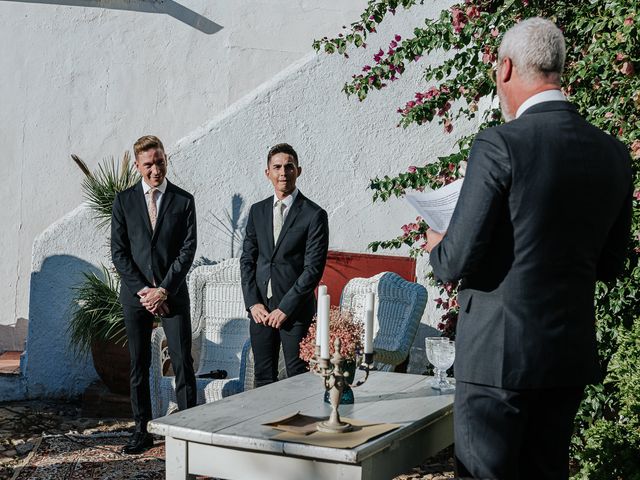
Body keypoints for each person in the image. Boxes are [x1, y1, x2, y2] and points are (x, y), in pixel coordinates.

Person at [424, 18, 632, 480]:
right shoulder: (614, 153)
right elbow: (612, 265)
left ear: (505, 68)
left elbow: (455, 260)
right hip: (566, 357)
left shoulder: (500, 144)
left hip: (497, 360)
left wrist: (438, 244)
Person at [111, 135, 197, 454]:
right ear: (137, 166)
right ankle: (141, 430)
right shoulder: (123, 201)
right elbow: (119, 253)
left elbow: (188, 250)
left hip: (172, 294)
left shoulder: (183, 200)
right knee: (138, 363)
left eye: (159, 161)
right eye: (148, 164)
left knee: (182, 362)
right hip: (136, 296)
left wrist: (163, 289)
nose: (155, 169)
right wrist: (144, 290)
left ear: (166, 159)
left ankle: (189, 430)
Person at [240, 143, 329, 387]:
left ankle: (297, 426)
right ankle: (266, 426)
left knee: (298, 379)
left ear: (298, 171)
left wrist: (285, 308)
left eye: (289, 167)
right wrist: (253, 303)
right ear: (267, 173)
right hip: (261, 311)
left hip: (295, 312)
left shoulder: (314, 214)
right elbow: (247, 260)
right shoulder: (257, 211)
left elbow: (313, 269)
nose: (283, 172)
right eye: (277, 167)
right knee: (263, 377)